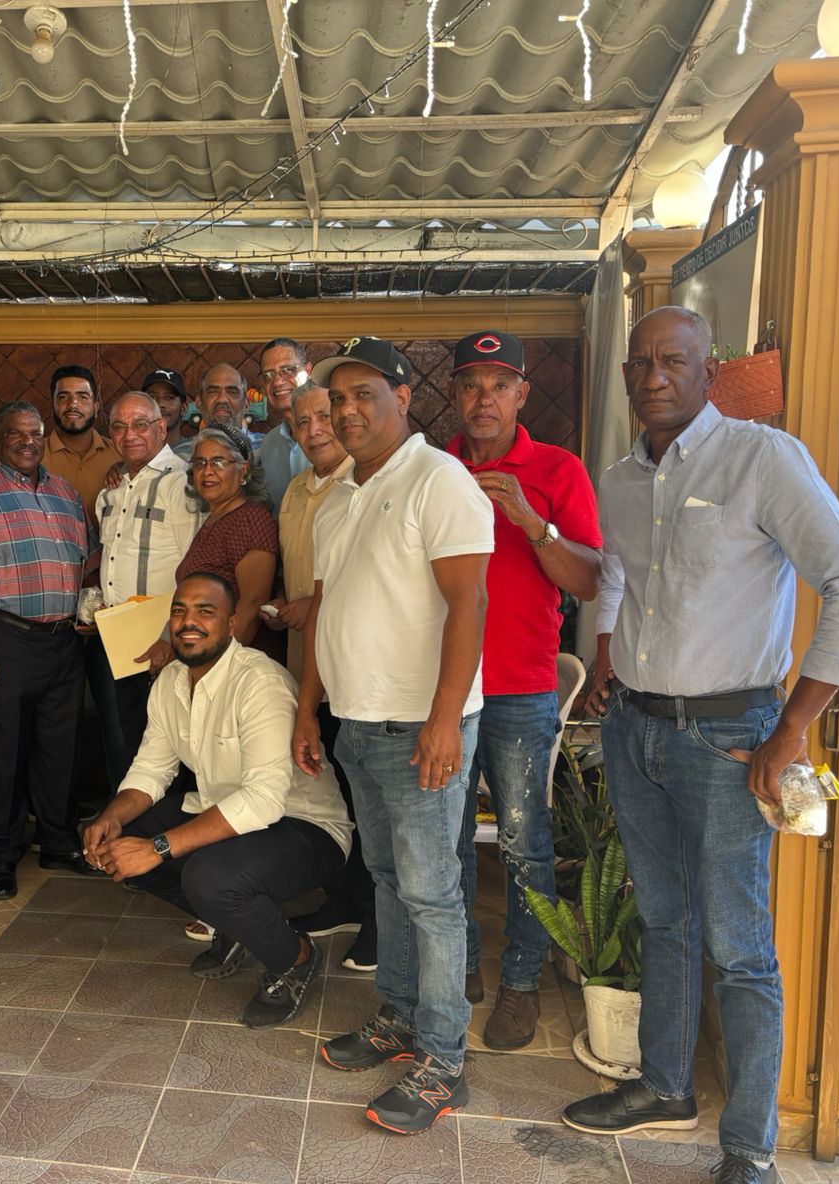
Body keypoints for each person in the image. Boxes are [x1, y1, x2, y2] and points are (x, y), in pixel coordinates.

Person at [561, 307, 839, 1184]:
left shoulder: (762, 459)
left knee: (741, 948)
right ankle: (665, 1086)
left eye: (675, 361)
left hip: (729, 736)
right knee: (662, 920)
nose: (655, 377)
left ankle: (749, 1147)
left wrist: (792, 728)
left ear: (708, 374)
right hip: (635, 727)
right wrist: (606, 664)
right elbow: (619, 578)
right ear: (625, 377)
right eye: (642, 363)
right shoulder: (619, 480)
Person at [292, 336, 494, 1135]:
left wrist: (445, 719)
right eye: (337, 398)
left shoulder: (439, 481)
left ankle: (444, 1060)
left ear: (403, 398)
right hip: (357, 723)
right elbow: (322, 609)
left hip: (420, 728)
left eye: (363, 395)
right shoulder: (342, 495)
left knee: (433, 896)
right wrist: (308, 709)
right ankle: (400, 1017)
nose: (346, 411)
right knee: (387, 879)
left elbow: (468, 603)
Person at [84, 572, 352, 1027]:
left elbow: (264, 800)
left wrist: (157, 848)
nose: (189, 622)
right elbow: (151, 769)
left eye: (205, 612)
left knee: (208, 878)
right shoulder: (171, 681)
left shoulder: (260, 682)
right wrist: (110, 818)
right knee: (125, 837)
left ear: (231, 624)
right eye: (179, 611)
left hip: (303, 826)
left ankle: (295, 958)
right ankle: (235, 927)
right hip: (225, 813)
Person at [443, 331, 602, 1049]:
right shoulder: (435, 467)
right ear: (455, 394)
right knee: (444, 839)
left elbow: (589, 581)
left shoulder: (557, 469)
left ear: (522, 395)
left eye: (500, 385)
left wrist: (534, 525)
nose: (485, 398)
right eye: (472, 384)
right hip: (443, 688)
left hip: (519, 688)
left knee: (523, 842)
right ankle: (459, 968)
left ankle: (521, 981)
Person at [0, 402, 100, 901]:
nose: (27, 442)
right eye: (15, 433)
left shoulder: (65, 494)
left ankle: (57, 842)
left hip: (65, 640)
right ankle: (3, 857)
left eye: (35, 433)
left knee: (60, 748)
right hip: (6, 639)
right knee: (2, 753)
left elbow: (90, 561)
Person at [262, 381, 374, 972]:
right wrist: (289, 604)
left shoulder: (367, 483)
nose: (314, 431)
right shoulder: (296, 490)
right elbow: (301, 572)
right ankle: (346, 899)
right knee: (334, 792)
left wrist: (313, 605)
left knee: (367, 801)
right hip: (308, 672)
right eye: (301, 423)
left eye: (323, 417)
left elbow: (365, 582)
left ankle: (379, 920)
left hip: (356, 675)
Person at [86, 390, 201, 788]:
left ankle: (164, 824)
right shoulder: (111, 492)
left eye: (140, 424)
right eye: (119, 426)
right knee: (122, 741)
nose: (129, 434)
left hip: (161, 641)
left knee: (166, 747)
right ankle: (126, 820)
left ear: (161, 428)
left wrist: (170, 637)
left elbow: (195, 567)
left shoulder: (181, 483)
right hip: (115, 638)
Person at [175, 424, 282, 661]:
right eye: (200, 463)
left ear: (243, 470)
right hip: (207, 658)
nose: (207, 471)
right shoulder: (214, 519)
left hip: (239, 664)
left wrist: (218, 666)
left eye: (218, 462)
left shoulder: (251, 520)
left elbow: (252, 604)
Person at [42, 364, 122, 518]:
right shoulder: (33, 458)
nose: (73, 404)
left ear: (96, 408)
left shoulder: (119, 454)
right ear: (53, 406)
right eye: (63, 397)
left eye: (82, 397)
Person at [254, 338, 311, 509]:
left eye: (288, 370)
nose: (277, 381)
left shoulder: (333, 434)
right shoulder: (269, 444)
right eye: (268, 375)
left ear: (308, 371)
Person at [176, 365, 260, 459]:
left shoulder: (267, 448)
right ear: (199, 402)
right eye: (213, 391)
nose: (222, 399)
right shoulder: (179, 456)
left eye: (232, 392)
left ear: (246, 404)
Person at [140, 367, 192, 448]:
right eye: (152, 397)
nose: (160, 404)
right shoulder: (134, 451)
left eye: (169, 398)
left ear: (183, 408)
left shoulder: (196, 452)